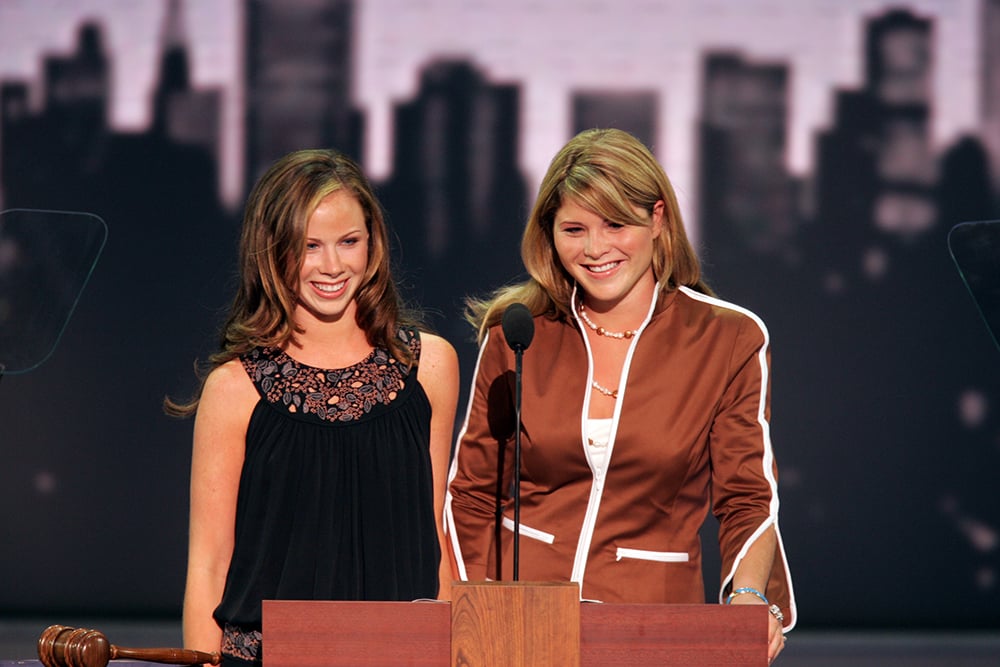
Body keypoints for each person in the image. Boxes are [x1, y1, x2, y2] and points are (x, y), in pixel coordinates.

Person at [444, 128, 795, 662]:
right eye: (574, 229)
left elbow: (748, 497)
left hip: (652, 627)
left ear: (658, 220)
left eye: (615, 224)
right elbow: (470, 494)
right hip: (519, 623)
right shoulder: (518, 332)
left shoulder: (730, 339)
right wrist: (472, 619)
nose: (594, 248)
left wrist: (748, 597)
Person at [166, 149, 458, 666]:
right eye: (309, 247)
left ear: (373, 242)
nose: (332, 266)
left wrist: (459, 652)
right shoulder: (234, 388)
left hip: (401, 655)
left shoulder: (429, 365)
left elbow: (434, 533)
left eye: (349, 242)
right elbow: (209, 565)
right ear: (271, 252)